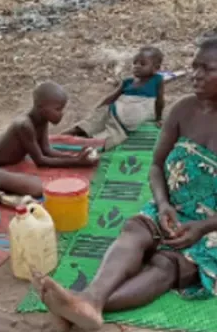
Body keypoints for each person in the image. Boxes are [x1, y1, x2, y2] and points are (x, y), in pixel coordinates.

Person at [31, 38, 217, 331]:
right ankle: (88, 301)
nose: (196, 74)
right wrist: (164, 203)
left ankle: (81, 306)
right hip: (173, 210)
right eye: (194, 67)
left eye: (207, 69)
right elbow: (156, 166)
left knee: (168, 263)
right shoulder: (183, 110)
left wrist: (203, 227)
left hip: (212, 227)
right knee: (136, 229)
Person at [63, 46, 165, 150]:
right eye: (135, 63)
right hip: (112, 112)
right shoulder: (128, 81)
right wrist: (99, 107)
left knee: (104, 140)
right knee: (89, 124)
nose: (137, 66)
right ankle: (59, 137)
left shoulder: (157, 80)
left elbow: (159, 101)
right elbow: (112, 96)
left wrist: (158, 118)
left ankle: (78, 143)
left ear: (155, 68)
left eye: (142, 64)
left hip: (123, 125)